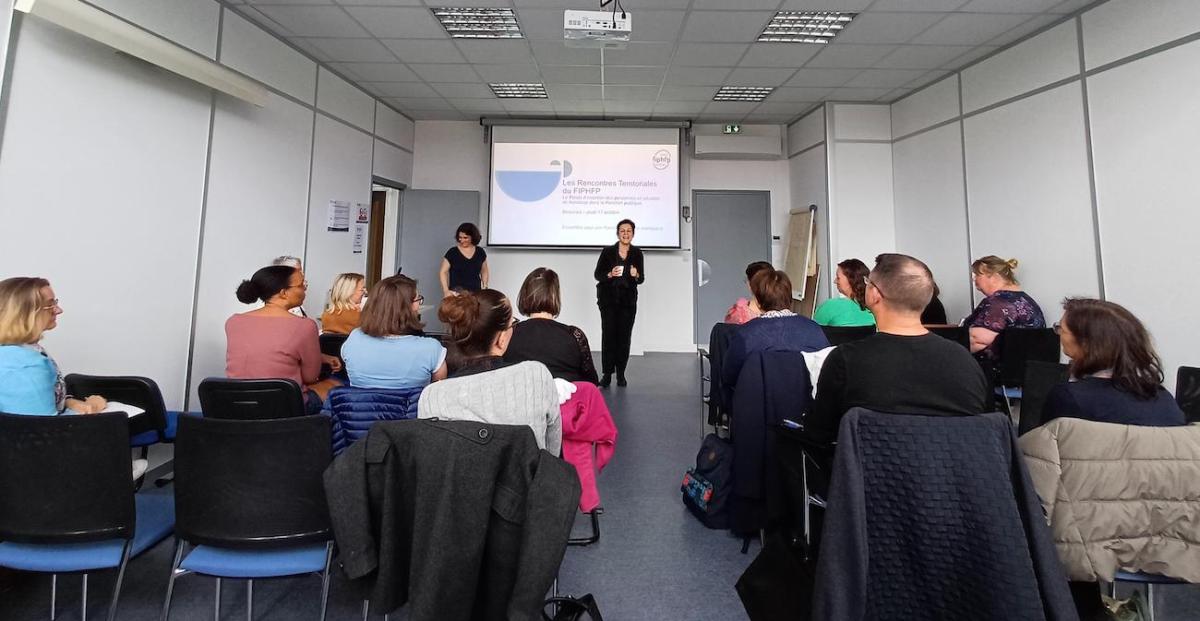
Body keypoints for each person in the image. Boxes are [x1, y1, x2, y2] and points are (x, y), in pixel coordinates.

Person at [806, 254, 990, 447]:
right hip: (951, 471)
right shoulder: (964, 359)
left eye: (868, 282)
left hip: (872, 472)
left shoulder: (845, 360)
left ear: (875, 295)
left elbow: (820, 432)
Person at [417, 289, 561, 454]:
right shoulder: (537, 376)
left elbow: (431, 458)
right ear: (501, 339)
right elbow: (552, 454)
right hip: (527, 479)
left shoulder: (431, 396)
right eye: (512, 323)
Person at [1043, 298, 1184, 427]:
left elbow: (1045, 450)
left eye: (1061, 329)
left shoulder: (1068, 397)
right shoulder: (1163, 398)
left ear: (1086, 342)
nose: (1059, 334)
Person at [227, 265, 341, 414]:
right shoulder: (304, 326)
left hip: (238, 403)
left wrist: (320, 357)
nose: (304, 289)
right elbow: (310, 377)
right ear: (283, 293)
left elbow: (263, 351)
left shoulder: (234, 321)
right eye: (301, 285)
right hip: (283, 407)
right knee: (337, 386)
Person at [0, 277, 107, 415]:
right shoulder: (23, 364)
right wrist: (93, 406)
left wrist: (70, 402)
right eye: (50, 305)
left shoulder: (20, 351)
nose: (58, 310)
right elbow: (42, 429)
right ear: (24, 314)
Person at [721, 268, 829, 400]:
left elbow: (729, 376)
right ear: (790, 298)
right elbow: (827, 368)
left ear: (759, 302)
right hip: (806, 409)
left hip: (757, 409)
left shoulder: (746, 333)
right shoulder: (813, 329)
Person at [341, 275, 447, 390]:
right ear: (406, 307)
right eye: (417, 300)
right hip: (411, 408)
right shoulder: (432, 349)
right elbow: (437, 395)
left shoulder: (354, 339)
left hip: (360, 407)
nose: (419, 305)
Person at [505, 267, 599, 384]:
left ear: (525, 295)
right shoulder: (574, 335)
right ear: (555, 296)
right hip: (564, 401)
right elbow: (591, 382)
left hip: (520, 400)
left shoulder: (508, 334)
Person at [965, 256, 1045, 371]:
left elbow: (977, 339)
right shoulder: (1027, 301)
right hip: (1027, 377)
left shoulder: (998, 302)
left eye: (977, 275)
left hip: (996, 379)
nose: (975, 281)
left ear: (994, 277)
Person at [594, 219, 644, 387]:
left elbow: (641, 279)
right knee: (608, 336)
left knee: (624, 337)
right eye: (622, 231)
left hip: (628, 302)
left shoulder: (637, 253)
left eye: (629, 231)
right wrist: (609, 274)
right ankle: (607, 374)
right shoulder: (608, 252)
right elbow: (598, 274)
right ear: (618, 233)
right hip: (608, 300)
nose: (625, 234)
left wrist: (636, 274)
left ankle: (621, 374)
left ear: (633, 234)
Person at [812, 258, 875, 327]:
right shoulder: (875, 309)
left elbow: (813, 332)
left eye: (838, 278)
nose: (835, 281)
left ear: (851, 280)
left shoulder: (830, 306)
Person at [440, 222, 488, 297]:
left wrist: (485, 286)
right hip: (456, 294)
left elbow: (484, 271)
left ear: (473, 237)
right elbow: (443, 272)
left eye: (465, 238)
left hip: (476, 293)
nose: (462, 240)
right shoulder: (452, 252)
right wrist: (446, 290)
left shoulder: (480, 252)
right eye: (460, 237)